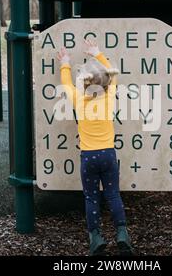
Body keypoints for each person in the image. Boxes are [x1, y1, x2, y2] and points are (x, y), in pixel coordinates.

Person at [56, 39, 134, 256]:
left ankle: (96, 237)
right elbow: (112, 72)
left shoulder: (79, 100)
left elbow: (66, 83)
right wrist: (98, 53)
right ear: (106, 84)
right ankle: (121, 233)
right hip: (108, 155)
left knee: (91, 197)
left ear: (83, 84)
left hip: (88, 157)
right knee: (113, 195)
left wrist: (65, 63)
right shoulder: (109, 97)